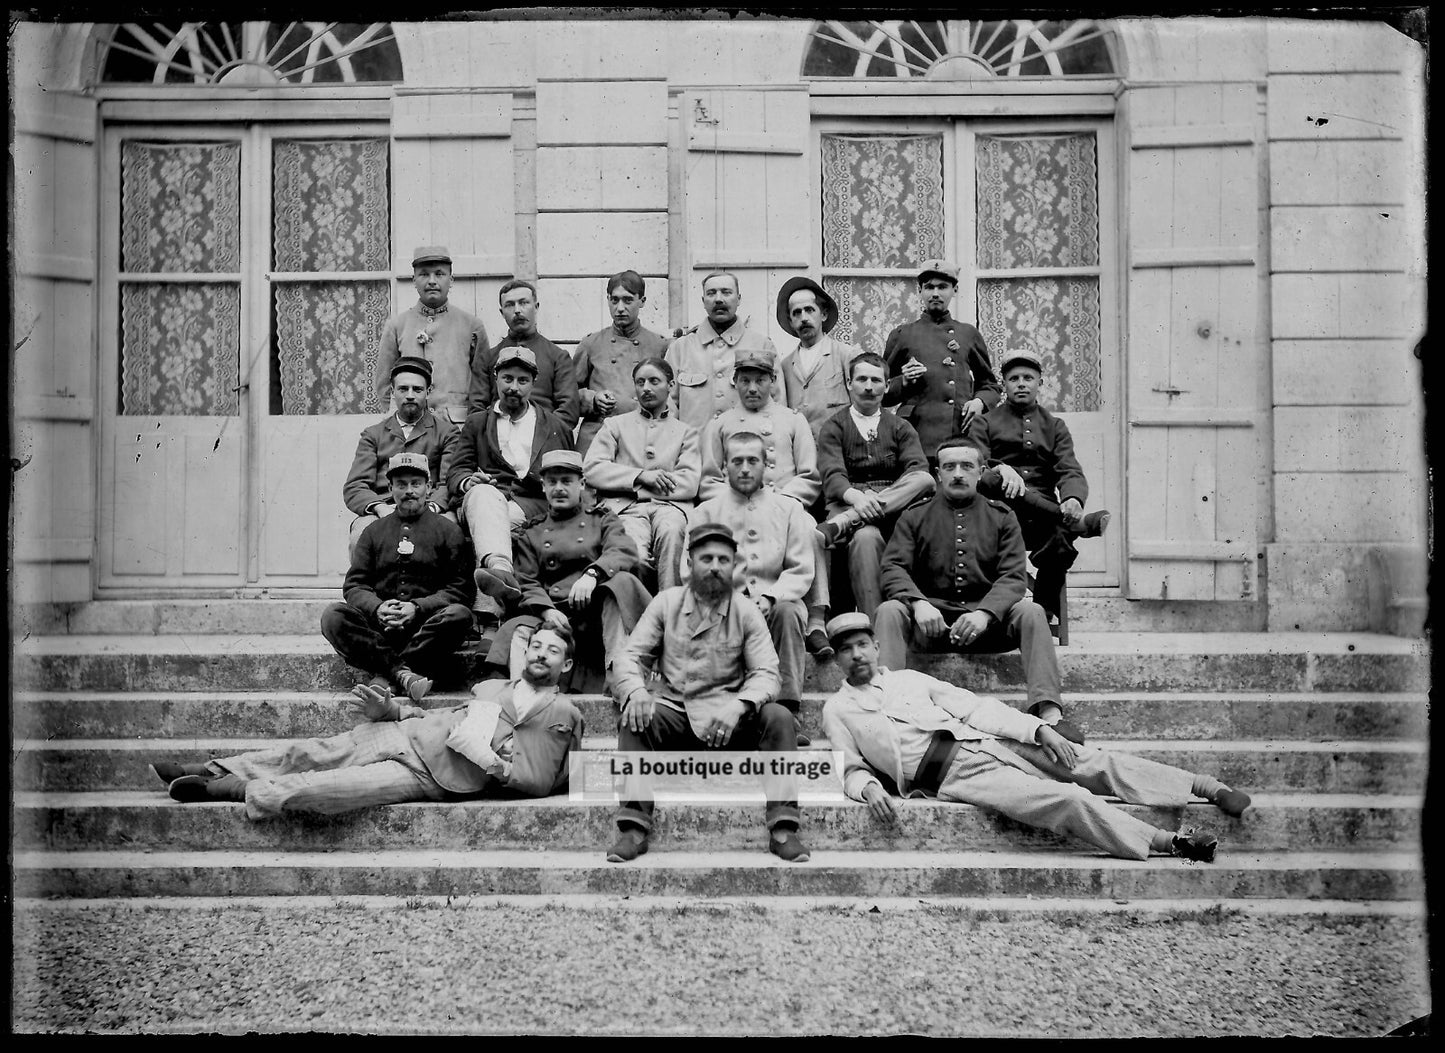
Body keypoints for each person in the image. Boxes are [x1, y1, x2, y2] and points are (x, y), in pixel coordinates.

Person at [821, 612, 1249, 862]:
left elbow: (976, 708)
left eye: (862, 644)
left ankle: (1204, 787)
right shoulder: (838, 709)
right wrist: (869, 787)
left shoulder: (910, 679)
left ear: (877, 646)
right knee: (1068, 799)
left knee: (1083, 760)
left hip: (985, 740)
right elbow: (849, 768)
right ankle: (1170, 842)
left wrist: (1039, 728)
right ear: (836, 659)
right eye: (845, 649)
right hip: (956, 776)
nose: (856, 655)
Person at [152, 624, 584, 815]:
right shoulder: (492, 690)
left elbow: (538, 780)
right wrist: (392, 710)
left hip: (433, 775)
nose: (541, 654)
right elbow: (438, 715)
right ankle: (212, 767)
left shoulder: (561, 712)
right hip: (408, 731)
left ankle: (229, 789)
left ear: (565, 666)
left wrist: (490, 761)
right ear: (524, 652)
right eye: (536, 646)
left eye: (553, 651)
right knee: (310, 752)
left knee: (329, 788)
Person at [606, 522, 810, 864]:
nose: (715, 566)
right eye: (706, 558)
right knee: (635, 717)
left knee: (779, 717)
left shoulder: (746, 611)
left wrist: (740, 704)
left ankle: (783, 828)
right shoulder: (666, 603)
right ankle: (633, 828)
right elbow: (629, 657)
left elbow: (767, 673)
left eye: (723, 559)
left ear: (735, 566)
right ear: (690, 563)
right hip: (677, 714)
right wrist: (637, 692)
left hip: (730, 723)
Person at [875, 437, 1079, 735]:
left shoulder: (1002, 516)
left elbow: (1013, 577)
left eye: (967, 466)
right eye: (949, 466)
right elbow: (893, 567)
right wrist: (919, 604)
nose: (958, 473)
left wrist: (985, 613)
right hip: (932, 626)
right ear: (937, 474)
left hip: (988, 628)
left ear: (981, 471)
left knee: (1032, 611)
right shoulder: (914, 516)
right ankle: (888, 709)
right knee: (890, 610)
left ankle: (1050, 713)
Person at [698, 347, 832, 657]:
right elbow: (709, 479)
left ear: (772, 380)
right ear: (735, 382)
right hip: (733, 505)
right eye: (744, 381)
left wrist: (780, 503)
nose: (753, 388)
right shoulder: (721, 423)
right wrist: (733, 501)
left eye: (760, 380)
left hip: (784, 506)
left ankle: (816, 620)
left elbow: (809, 475)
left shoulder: (792, 420)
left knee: (809, 526)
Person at [487, 450, 653, 694]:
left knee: (620, 583)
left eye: (567, 481)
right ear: (543, 487)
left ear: (582, 484)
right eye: (552, 482)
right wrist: (546, 611)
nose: (559, 488)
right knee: (518, 627)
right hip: (556, 617)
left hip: (596, 617)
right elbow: (527, 580)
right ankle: (523, 695)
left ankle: (620, 674)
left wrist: (593, 574)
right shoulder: (533, 532)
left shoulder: (602, 520)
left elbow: (623, 550)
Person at [968, 348, 1110, 623]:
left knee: (1059, 537)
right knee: (991, 479)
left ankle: (1042, 612)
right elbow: (976, 462)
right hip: (998, 512)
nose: (1021, 383)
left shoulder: (1054, 426)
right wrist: (999, 466)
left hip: (1037, 521)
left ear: (1040, 383)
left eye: (1028, 378)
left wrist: (1073, 500)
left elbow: (1069, 468)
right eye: (1014, 378)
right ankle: (1075, 522)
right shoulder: (985, 422)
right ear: (1004, 385)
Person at [321, 453, 475, 702]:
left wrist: (417, 607)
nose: (409, 491)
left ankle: (388, 673)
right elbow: (355, 585)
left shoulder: (448, 531)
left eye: (416, 483)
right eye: (401, 485)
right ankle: (403, 674)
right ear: (390, 488)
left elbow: (461, 588)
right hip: (380, 627)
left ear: (429, 487)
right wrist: (378, 607)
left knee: (460, 615)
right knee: (333, 616)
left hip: (425, 628)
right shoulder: (373, 531)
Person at [448, 346, 576, 631]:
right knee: (484, 496)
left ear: (534, 383)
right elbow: (456, 471)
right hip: (485, 501)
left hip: (532, 504)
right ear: (495, 378)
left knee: (495, 519)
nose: (513, 387)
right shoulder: (477, 423)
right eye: (507, 378)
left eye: (522, 380)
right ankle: (502, 571)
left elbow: (569, 476)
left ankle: (488, 613)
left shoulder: (555, 427)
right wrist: (469, 481)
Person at [692, 432, 816, 717]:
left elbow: (800, 567)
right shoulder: (706, 512)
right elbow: (694, 572)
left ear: (765, 465)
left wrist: (772, 597)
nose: (745, 468)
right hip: (721, 604)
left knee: (790, 612)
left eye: (752, 460)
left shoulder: (789, 508)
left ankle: (787, 711)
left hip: (774, 601)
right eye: (737, 461)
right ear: (725, 467)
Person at [814, 352, 935, 618]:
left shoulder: (900, 426)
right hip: (847, 502)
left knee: (926, 479)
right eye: (862, 379)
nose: (869, 387)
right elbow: (832, 474)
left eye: (876, 380)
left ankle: (847, 522)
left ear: (887, 386)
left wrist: (876, 501)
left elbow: (918, 470)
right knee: (866, 538)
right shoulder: (834, 426)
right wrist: (858, 499)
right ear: (849, 383)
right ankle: (877, 629)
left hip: (893, 510)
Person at [582, 357, 700, 592]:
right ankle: (637, 614)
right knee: (632, 550)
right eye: (640, 382)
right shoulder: (614, 425)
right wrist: (640, 477)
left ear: (671, 385)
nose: (646, 388)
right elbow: (592, 469)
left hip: (670, 508)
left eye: (654, 381)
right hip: (625, 508)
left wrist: (640, 484)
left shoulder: (686, 432)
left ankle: (671, 611)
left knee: (672, 533)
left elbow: (689, 482)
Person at [882, 259, 1000, 462]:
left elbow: (990, 386)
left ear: (954, 290)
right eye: (929, 287)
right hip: (916, 433)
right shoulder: (902, 334)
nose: (935, 293)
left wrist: (979, 402)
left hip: (959, 431)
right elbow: (882, 392)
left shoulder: (968, 334)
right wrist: (904, 380)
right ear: (919, 291)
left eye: (942, 287)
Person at [343, 356, 458, 560]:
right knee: (360, 536)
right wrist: (381, 508)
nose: (410, 395)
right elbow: (355, 486)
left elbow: (449, 483)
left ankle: (447, 593)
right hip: (385, 507)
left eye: (418, 389)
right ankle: (363, 591)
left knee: (452, 533)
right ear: (392, 392)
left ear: (428, 392)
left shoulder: (447, 433)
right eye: (403, 389)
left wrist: (429, 508)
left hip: (431, 507)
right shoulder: (373, 435)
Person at [375, 246, 490, 427]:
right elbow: (383, 384)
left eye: (439, 274)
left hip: (458, 427)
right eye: (424, 274)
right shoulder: (397, 326)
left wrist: (475, 425)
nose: (432, 281)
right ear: (414, 280)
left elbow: (483, 384)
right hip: (411, 426)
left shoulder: (472, 326)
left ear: (451, 279)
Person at [665, 271, 780, 434]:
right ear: (703, 301)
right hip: (695, 454)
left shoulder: (762, 345)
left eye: (726, 292)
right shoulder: (680, 349)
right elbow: (667, 409)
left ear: (739, 299)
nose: (719, 299)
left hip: (746, 454)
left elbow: (778, 408)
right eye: (711, 293)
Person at [572, 270, 672, 456]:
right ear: (608, 300)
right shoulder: (591, 344)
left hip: (643, 437)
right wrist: (592, 399)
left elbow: (671, 397)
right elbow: (567, 395)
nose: (619, 308)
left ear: (642, 301)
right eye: (614, 300)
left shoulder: (658, 345)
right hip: (598, 437)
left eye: (628, 300)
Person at [469, 279, 580, 430]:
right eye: (510, 304)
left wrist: (536, 435)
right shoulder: (487, 358)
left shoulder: (558, 357)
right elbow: (477, 410)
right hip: (498, 441)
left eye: (523, 303)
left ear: (536, 307)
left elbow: (568, 412)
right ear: (502, 312)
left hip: (544, 441)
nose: (517, 310)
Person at [776, 275, 859, 437]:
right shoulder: (785, 366)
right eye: (797, 313)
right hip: (800, 454)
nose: (804, 318)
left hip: (838, 452)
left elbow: (862, 408)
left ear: (823, 315)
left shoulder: (846, 355)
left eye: (809, 310)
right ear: (791, 321)